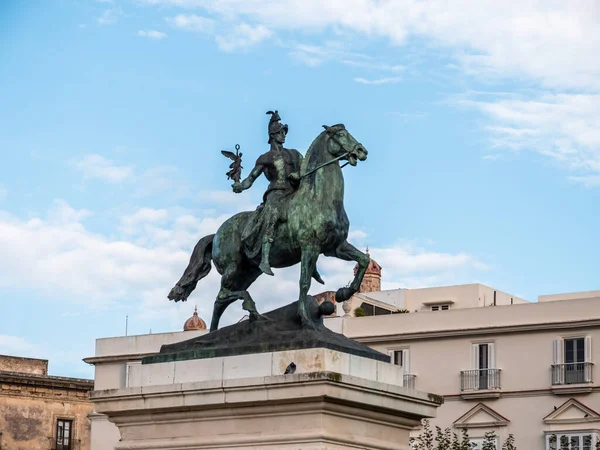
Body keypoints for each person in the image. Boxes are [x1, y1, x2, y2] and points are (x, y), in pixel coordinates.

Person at [232, 111, 321, 280]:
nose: (284, 135)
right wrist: (240, 186)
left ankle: (312, 262)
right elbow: (250, 179)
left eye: (285, 132)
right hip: (276, 194)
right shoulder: (265, 158)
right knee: (272, 214)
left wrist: (298, 175)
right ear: (273, 135)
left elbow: (306, 170)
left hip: (294, 192)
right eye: (281, 132)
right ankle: (265, 258)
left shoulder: (294, 154)